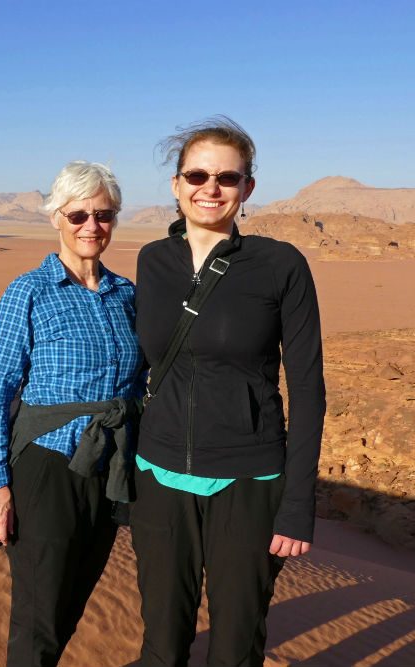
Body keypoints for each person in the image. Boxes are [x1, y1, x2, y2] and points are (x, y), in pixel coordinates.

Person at [132, 116, 325, 666]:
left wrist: (297, 505)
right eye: (196, 175)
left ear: (248, 188)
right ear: (176, 185)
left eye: (227, 178)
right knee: (162, 643)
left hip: (249, 480)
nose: (210, 189)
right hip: (160, 475)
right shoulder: (154, 260)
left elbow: (308, 388)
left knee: (236, 644)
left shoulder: (280, 265)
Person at [0, 160, 144, 667]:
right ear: (56, 218)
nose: (92, 226)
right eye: (78, 215)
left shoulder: (127, 295)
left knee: (73, 601)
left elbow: (143, 381)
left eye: (104, 215)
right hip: (47, 467)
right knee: (40, 614)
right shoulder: (29, 291)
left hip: (108, 467)